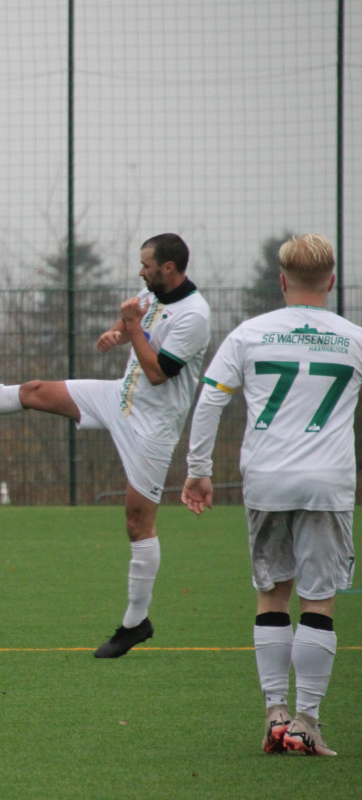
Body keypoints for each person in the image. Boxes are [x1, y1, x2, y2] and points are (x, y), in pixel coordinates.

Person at [0, 233, 210, 658]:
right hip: (118, 396)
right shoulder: (151, 292)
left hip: (153, 427)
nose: (140, 271)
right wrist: (117, 333)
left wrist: (134, 327)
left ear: (168, 268)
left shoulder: (196, 315)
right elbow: (134, 332)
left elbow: (160, 372)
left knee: (137, 523)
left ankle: (134, 623)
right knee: (33, 390)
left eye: (146, 265)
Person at [181, 234, 354, 757]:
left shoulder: (249, 335)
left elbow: (210, 401)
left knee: (272, 593)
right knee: (318, 600)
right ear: (330, 281)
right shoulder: (353, 338)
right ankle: (308, 721)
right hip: (328, 483)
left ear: (282, 282)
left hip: (266, 480)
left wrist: (197, 469)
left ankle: (276, 711)